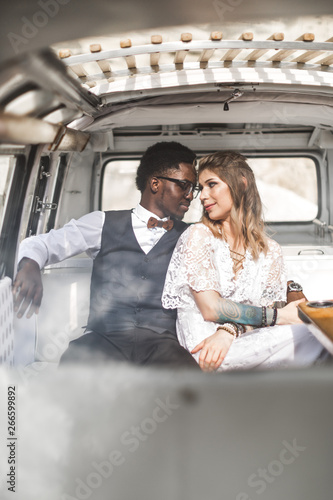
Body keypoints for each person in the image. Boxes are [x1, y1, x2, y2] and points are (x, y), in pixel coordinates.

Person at [13, 141, 200, 368]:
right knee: (74, 366)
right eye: (184, 186)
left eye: (194, 189)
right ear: (155, 183)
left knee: (190, 383)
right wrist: (30, 264)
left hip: (162, 344)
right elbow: (44, 243)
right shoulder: (101, 223)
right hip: (103, 339)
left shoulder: (193, 235)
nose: (190, 196)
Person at [162, 151, 327, 371]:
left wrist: (231, 330)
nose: (201, 196)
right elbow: (211, 308)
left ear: (240, 184)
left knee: (318, 332)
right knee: (315, 334)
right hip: (206, 350)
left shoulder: (271, 251)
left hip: (245, 340)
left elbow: (267, 316)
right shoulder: (199, 236)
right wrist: (277, 315)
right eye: (202, 188)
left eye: (212, 184)